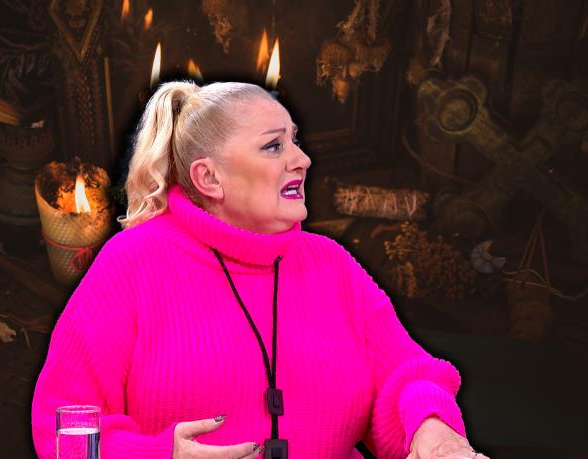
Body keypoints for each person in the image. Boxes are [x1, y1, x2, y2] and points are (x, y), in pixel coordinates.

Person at [31, 81, 488, 459]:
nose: (302, 160)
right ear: (209, 178)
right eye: (273, 146)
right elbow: (62, 428)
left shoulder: (330, 264)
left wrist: (433, 429)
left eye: (295, 141)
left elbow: (407, 372)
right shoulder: (131, 264)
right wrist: (152, 454)